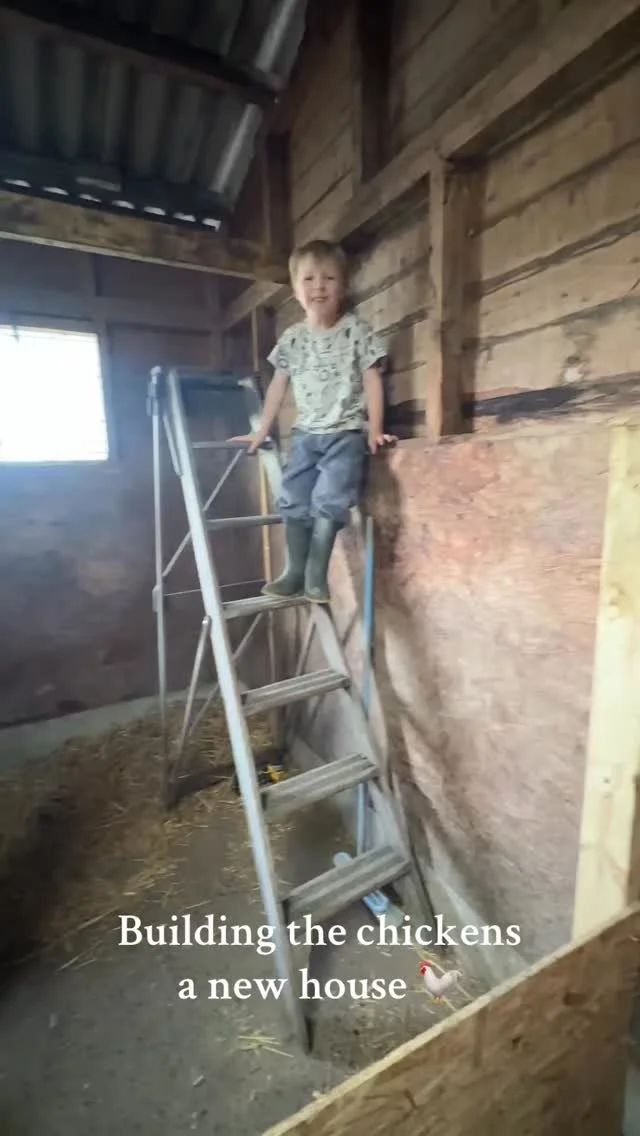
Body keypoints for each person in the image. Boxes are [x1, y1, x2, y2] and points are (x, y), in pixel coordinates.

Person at [231, 238, 395, 604]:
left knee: (329, 498)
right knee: (292, 497)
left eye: (329, 278)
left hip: (345, 433)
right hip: (305, 434)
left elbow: (372, 380)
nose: (318, 286)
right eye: (308, 279)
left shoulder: (357, 331)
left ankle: (315, 575)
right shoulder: (292, 339)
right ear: (295, 290)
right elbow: (277, 386)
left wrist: (375, 428)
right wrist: (261, 430)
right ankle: (294, 572)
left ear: (343, 287)